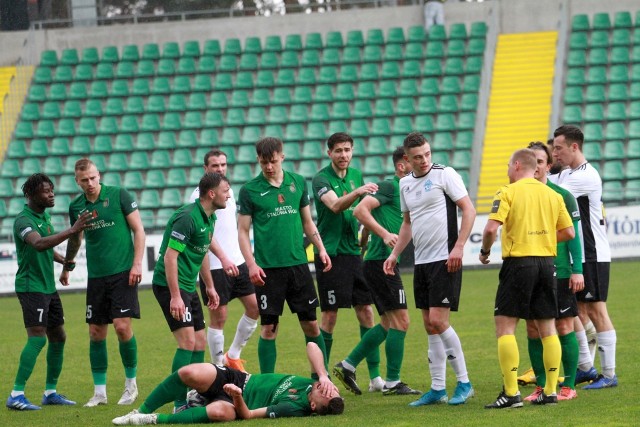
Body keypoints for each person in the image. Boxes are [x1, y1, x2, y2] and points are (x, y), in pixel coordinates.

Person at [383, 133, 476, 406]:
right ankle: (437, 388)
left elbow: (468, 210)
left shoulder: (445, 174)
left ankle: (464, 382)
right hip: (422, 263)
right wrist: (394, 254)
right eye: (417, 157)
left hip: (445, 259)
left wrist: (459, 247)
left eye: (427, 154)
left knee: (438, 321)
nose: (423, 160)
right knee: (429, 325)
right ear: (406, 160)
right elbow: (407, 224)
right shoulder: (404, 185)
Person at [480, 148, 575, 408]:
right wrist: (540, 238)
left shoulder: (507, 192)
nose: (507, 170)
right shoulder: (552, 195)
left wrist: (485, 251)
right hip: (547, 264)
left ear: (518, 165)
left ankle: (511, 394)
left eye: (509, 165)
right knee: (547, 327)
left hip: (519, 264)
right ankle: (551, 391)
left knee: (505, 326)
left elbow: (490, 229)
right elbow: (568, 231)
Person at [237, 136, 331, 374]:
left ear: (282, 157)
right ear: (258, 160)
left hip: (298, 266)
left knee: (311, 325)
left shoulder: (298, 182)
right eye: (263, 162)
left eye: (272, 161)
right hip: (268, 271)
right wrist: (251, 264)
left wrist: (320, 248)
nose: (268, 167)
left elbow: (308, 222)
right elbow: (243, 231)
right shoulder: (249, 190)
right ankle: (267, 383)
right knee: (269, 328)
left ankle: (321, 377)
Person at [333, 147, 421, 396]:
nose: (420, 164)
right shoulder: (390, 186)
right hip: (381, 262)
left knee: (387, 323)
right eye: (413, 160)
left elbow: (375, 223)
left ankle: (348, 365)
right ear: (402, 165)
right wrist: (384, 235)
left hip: (380, 262)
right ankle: (392, 382)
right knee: (402, 322)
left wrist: (369, 242)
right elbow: (361, 211)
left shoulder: (403, 191)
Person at [61, 158, 146, 407]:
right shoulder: (76, 206)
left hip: (123, 272)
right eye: (84, 180)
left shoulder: (119, 195)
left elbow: (139, 230)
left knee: (121, 327)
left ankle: (131, 386)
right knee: (96, 333)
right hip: (96, 276)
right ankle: (99, 393)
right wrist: (68, 265)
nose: (89, 183)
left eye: (93, 178)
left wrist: (137, 263)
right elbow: (75, 239)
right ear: (77, 181)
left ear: (99, 175)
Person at [6, 173, 91, 411]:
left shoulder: (44, 216)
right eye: (46, 191)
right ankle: (16, 394)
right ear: (31, 195)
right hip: (31, 286)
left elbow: (46, 246)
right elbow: (38, 243)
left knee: (59, 336)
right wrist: (72, 230)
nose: (51, 194)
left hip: (47, 287)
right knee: (37, 338)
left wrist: (63, 260)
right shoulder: (23, 220)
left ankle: (50, 392)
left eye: (52, 189)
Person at [111, 343, 343, 425]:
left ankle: (147, 419)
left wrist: (237, 396)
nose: (329, 389)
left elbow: (249, 415)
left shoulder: (293, 407)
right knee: (188, 372)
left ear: (313, 406)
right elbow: (312, 345)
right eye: (334, 391)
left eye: (327, 394)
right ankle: (141, 408)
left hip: (237, 402)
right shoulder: (317, 383)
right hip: (240, 378)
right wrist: (322, 375)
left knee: (220, 412)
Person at [311, 132, 380, 390]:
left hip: (353, 253)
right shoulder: (321, 179)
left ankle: (375, 378)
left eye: (347, 150)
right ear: (329, 152)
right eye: (338, 150)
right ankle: (321, 377)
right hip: (330, 254)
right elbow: (336, 206)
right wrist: (360, 191)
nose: (343, 155)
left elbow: (361, 212)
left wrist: (366, 237)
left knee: (367, 311)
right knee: (329, 316)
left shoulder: (356, 175)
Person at [152, 172, 226, 410]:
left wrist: (210, 286)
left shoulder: (210, 217)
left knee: (199, 341)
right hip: (170, 285)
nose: (228, 195)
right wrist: (175, 296)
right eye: (225, 191)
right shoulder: (187, 217)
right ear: (212, 193)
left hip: (188, 285)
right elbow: (170, 258)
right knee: (186, 342)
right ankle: (179, 402)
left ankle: (195, 393)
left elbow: (202, 251)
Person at [551, 124, 617, 389]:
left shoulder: (584, 176)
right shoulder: (569, 173)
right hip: (583, 253)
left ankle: (609, 374)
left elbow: (553, 197)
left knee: (597, 310)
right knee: (578, 309)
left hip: (593, 253)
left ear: (574, 147)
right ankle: (586, 367)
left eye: (558, 148)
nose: (555, 153)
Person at [521, 141, 584, 402]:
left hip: (559, 271)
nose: (536, 166)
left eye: (540, 161)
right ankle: (543, 386)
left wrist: (577, 270)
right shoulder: (518, 195)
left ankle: (568, 385)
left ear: (548, 165)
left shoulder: (562, 195)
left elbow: (573, 236)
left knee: (564, 326)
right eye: (531, 161)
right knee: (533, 330)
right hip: (529, 272)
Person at [188, 150, 259, 372]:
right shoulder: (197, 197)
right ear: (205, 169)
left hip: (238, 262)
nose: (220, 169)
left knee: (255, 308)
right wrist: (223, 257)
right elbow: (203, 235)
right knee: (219, 317)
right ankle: (218, 367)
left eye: (223, 164)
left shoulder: (229, 191)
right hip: (216, 266)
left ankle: (233, 355)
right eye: (215, 165)